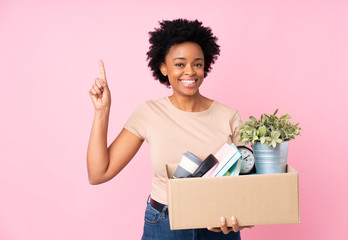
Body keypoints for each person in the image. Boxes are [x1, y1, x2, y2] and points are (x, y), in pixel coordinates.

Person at [87, 19, 252, 239]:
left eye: (197, 64)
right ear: (163, 67)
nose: (190, 72)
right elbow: (99, 173)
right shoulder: (149, 113)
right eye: (180, 64)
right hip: (165, 225)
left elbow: (245, 183)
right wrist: (102, 111)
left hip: (218, 226)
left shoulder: (229, 116)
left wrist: (238, 219)